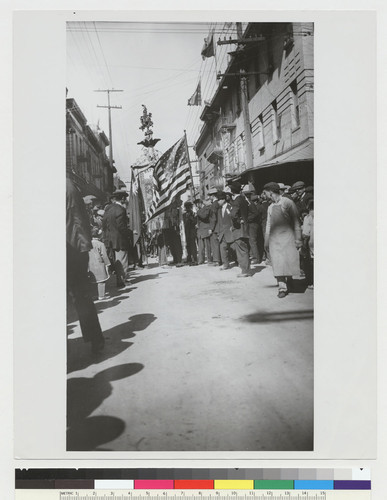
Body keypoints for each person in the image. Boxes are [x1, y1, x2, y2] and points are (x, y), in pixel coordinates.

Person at [66, 176, 105, 353]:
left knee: (79, 296)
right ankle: (95, 339)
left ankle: (95, 339)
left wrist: (82, 249)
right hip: (75, 248)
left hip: (71, 250)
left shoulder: (62, 187)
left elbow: (76, 221)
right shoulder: (68, 185)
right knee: (81, 297)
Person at [263, 182, 302, 298]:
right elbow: (268, 225)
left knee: (288, 260)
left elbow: (296, 221)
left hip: (288, 237)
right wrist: (266, 240)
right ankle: (282, 287)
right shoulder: (270, 207)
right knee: (278, 263)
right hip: (274, 240)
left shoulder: (288, 203)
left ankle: (290, 281)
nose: (264, 195)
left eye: (265, 193)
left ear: (270, 192)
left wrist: (298, 239)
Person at [102, 190, 130, 287]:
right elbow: (121, 227)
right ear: (122, 198)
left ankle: (119, 280)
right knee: (122, 260)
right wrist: (129, 233)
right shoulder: (121, 209)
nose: (125, 200)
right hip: (120, 239)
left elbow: (104, 224)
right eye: (125, 198)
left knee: (116, 261)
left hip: (110, 239)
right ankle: (122, 280)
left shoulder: (108, 208)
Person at [229, 182, 251, 277]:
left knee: (241, 249)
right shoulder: (243, 199)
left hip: (239, 229)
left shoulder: (237, 200)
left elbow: (233, 214)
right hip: (245, 227)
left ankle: (244, 271)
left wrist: (237, 221)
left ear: (232, 191)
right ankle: (247, 269)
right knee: (245, 248)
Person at [88, 227, 111, 300]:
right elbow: (104, 255)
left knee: (93, 280)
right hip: (99, 264)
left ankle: (94, 295)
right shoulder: (101, 244)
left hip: (90, 264)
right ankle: (101, 295)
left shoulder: (88, 243)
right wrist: (107, 264)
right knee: (101, 281)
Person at [243, 185, 262, 264]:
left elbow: (256, 213)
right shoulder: (248, 202)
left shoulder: (250, 203)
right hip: (251, 224)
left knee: (252, 241)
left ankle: (256, 258)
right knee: (251, 240)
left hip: (253, 224)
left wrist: (247, 219)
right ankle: (253, 255)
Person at [195, 197, 213, 265]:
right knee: (200, 247)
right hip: (200, 230)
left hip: (205, 229)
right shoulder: (199, 210)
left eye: (197, 204)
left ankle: (209, 259)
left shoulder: (207, 208)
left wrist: (197, 212)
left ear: (200, 203)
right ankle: (201, 260)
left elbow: (204, 216)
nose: (196, 206)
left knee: (207, 246)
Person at [302, 200, 314, 288]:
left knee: (311, 262)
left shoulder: (308, 217)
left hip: (312, 243)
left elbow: (306, 234)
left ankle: (312, 282)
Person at [208, 187, 221, 266]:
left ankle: (216, 260)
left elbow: (213, 218)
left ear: (213, 196)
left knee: (215, 244)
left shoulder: (213, 205)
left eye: (210, 195)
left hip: (215, 227)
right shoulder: (218, 204)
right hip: (219, 226)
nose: (209, 197)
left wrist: (211, 228)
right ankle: (219, 259)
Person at [183, 201, 198, 265]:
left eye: (189, 207)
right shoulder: (184, 214)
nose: (187, 208)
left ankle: (195, 259)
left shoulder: (193, 214)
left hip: (192, 231)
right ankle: (189, 258)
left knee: (193, 245)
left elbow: (195, 221)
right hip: (186, 232)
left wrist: (190, 217)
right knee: (188, 245)